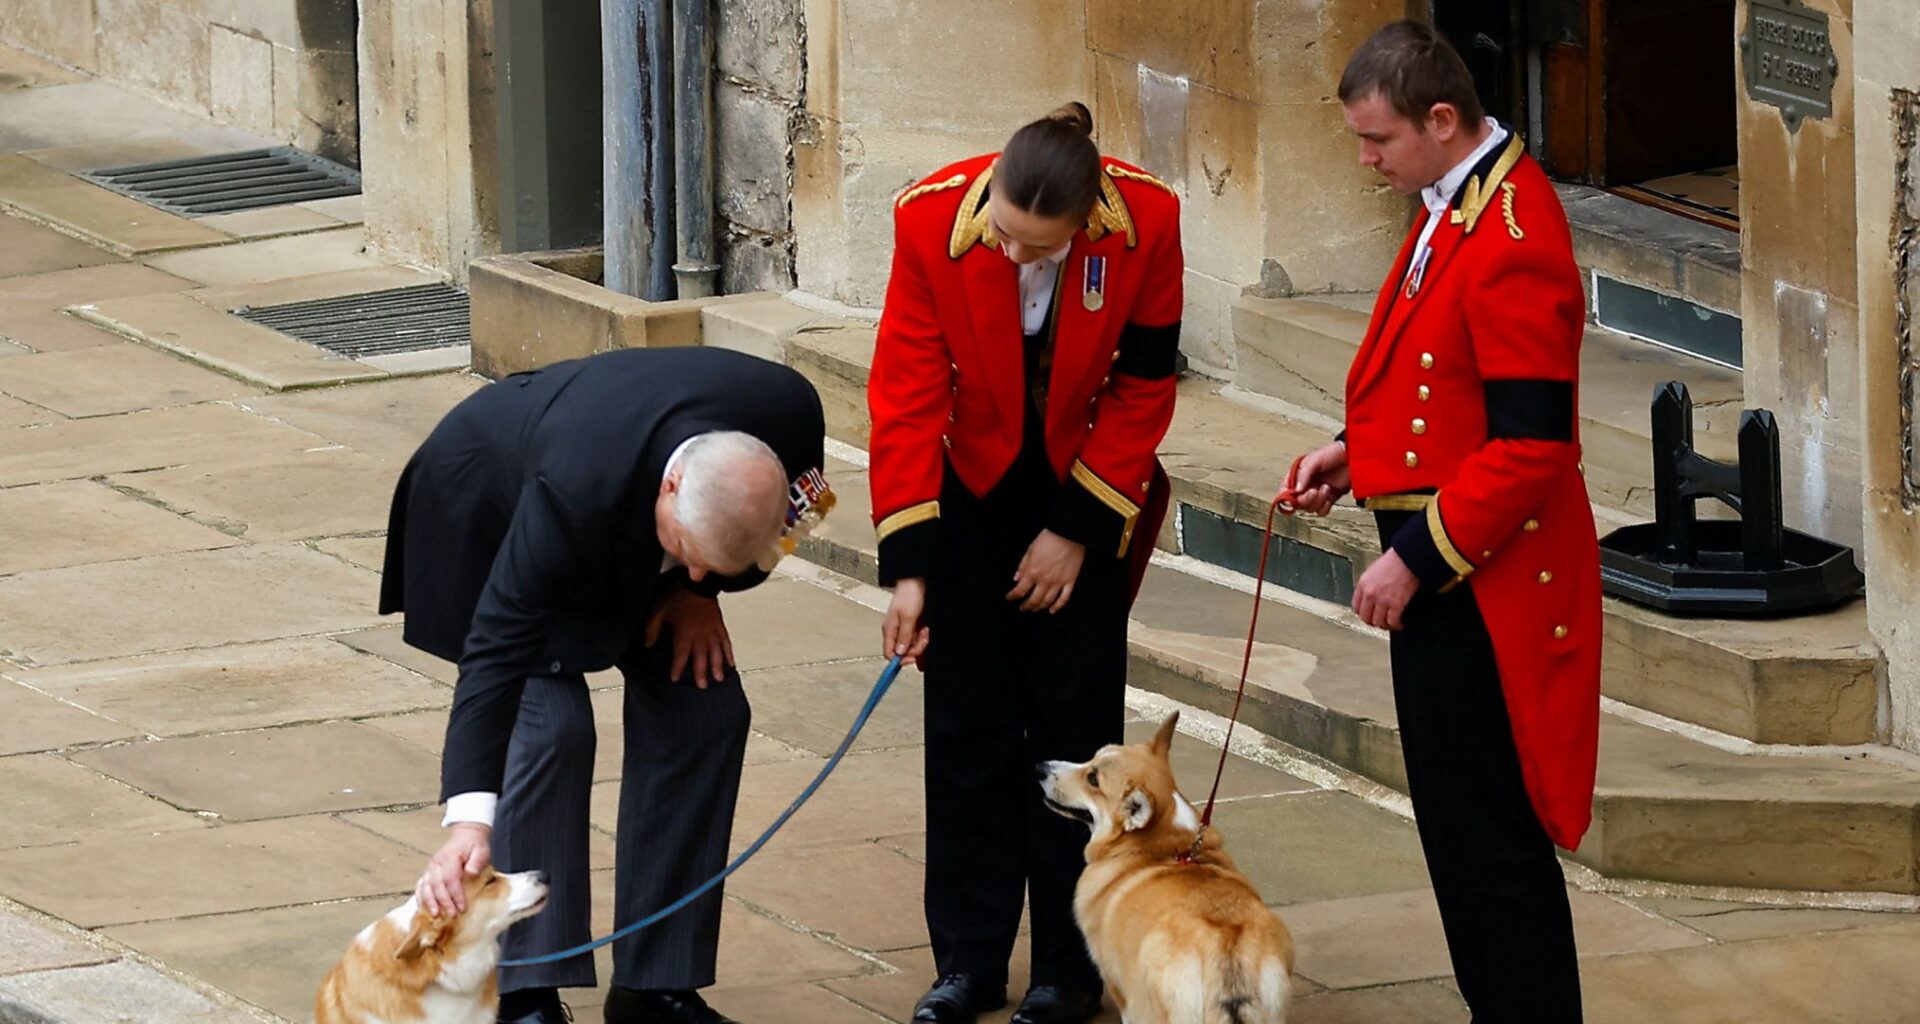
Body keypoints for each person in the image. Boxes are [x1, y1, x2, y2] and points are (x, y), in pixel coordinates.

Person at [1284, 20, 1601, 1023]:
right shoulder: (1456, 202)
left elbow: (1532, 446)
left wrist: (1415, 558)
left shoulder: (1512, 232)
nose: (1366, 161)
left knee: (1489, 835)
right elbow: (1437, 376)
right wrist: (1358, 453)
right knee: (1456, 830)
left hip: (1484, 583)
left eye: (1377, 141)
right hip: (1450, 569)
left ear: (1441, 119)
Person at [380, 346, 829, 1024]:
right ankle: (523, 991)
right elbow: (497, 653)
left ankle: (656, 985)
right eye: (691, 557)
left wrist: (694, 591)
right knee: (551, 727)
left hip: (633, 544)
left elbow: (801, 515)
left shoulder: (790, 413)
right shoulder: (574, 482)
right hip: (488, 518)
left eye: (715, 567)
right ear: (671, 490)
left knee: (705, 711)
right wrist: (469, 820)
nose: (703, 575)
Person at [867, 102, 1184, 1024]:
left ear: (1086, 223)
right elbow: (906, 392)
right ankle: (967, 960)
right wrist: (912, 570)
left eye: (1036, 249)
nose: (1011, 257)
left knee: (1073, 737)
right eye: (1003, 233)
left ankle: (1070, 969)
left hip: (1083, 482)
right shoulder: (929, 218)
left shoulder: (1149, 221)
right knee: (965, 732)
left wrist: (1077, 528)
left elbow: (1146, 382)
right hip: (966, 491)